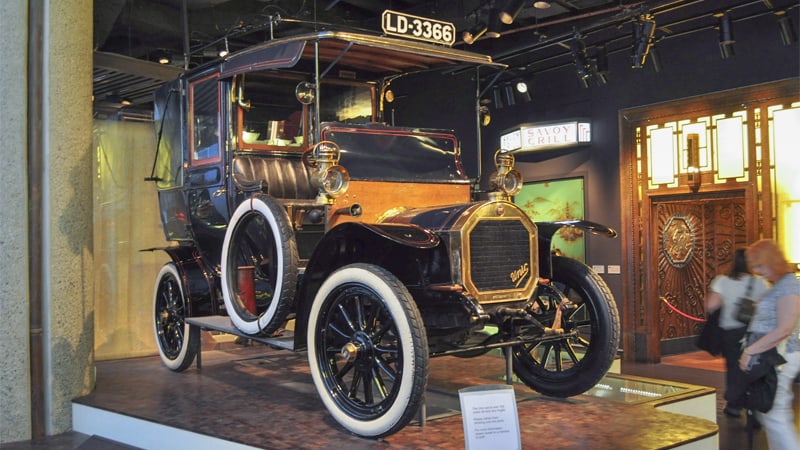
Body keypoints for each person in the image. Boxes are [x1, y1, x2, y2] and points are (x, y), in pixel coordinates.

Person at [738, 239, 800, 449]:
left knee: (776, 415)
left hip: (779, 358)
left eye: (760, 265)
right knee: (773, 414)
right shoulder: (781, 285)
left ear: (771, 261)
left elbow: (785, 328)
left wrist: (750, 351)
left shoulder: (789, 285)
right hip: (772, 357)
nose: (757, 271)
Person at [705, 248, 769, 418]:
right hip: (753, 331)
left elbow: (711, 305)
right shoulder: (760, 283)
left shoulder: (722, 281)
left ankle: (734, 404)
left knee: (733, 367)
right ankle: (754, 406)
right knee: (753, 366)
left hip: (730, 333)